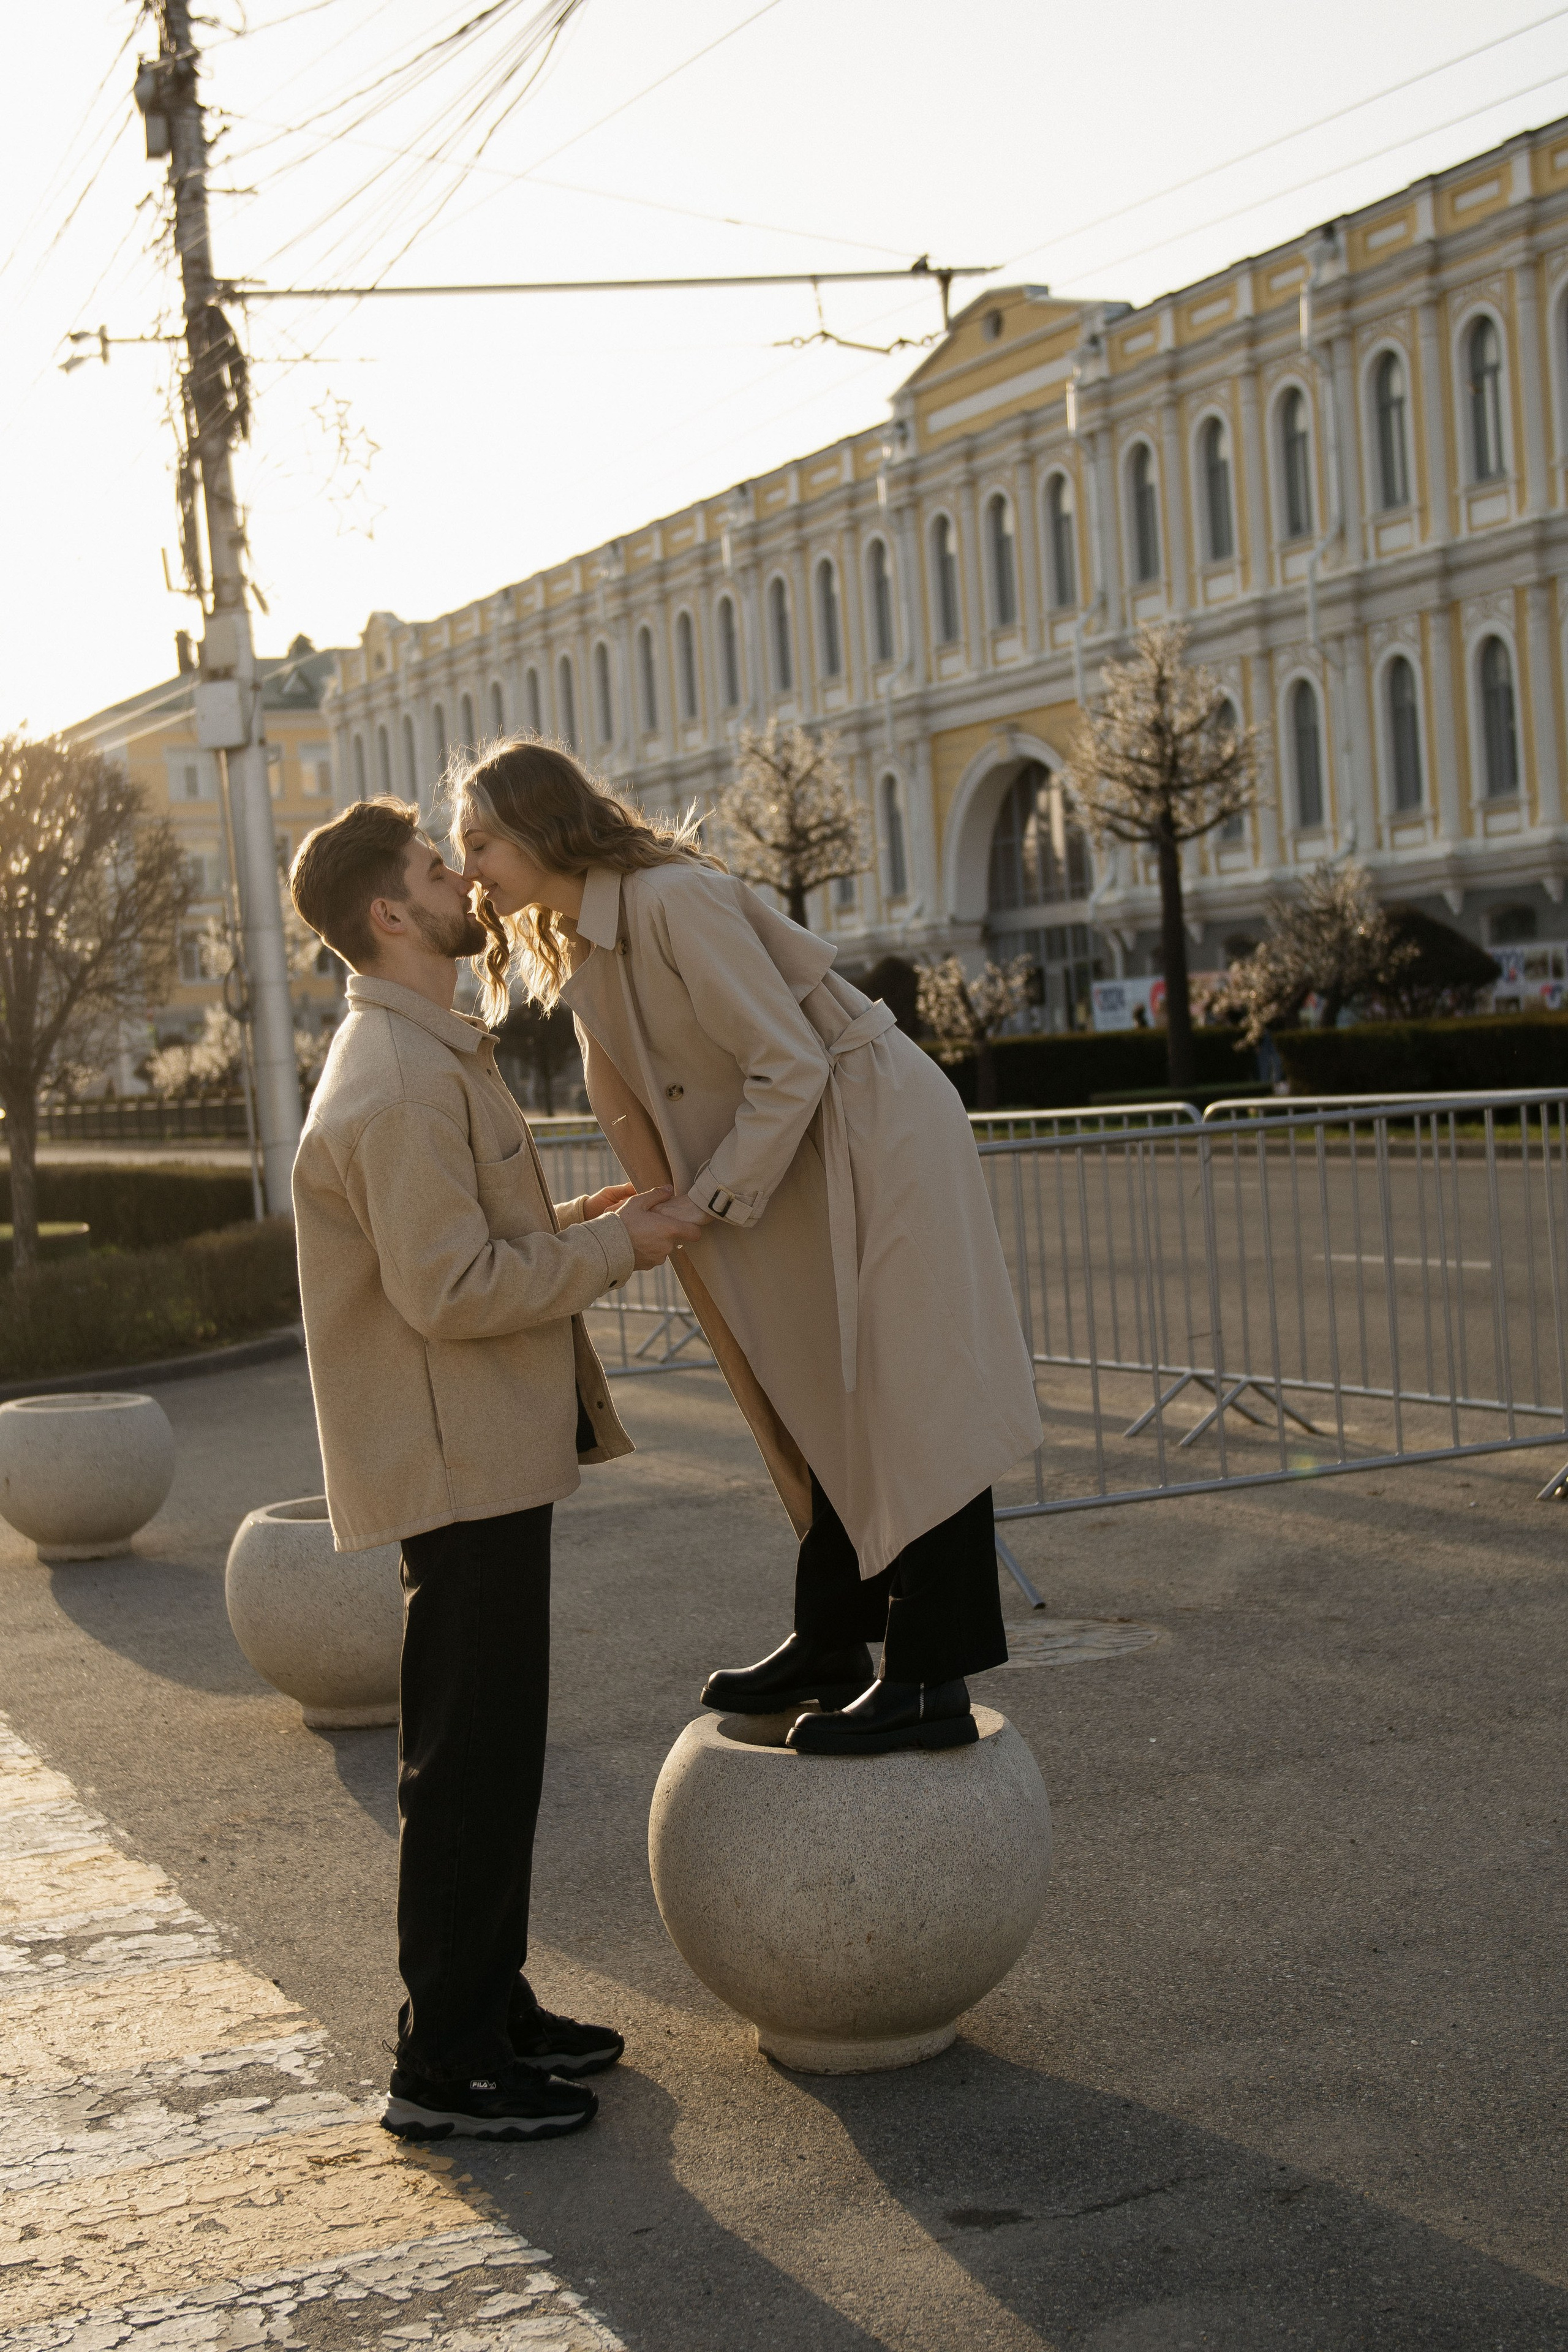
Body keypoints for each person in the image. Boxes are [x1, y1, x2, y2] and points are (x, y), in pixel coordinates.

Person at [453, 740, 1044, 1759]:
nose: (469, 869)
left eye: (479, 842)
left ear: (538, 825)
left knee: (909, 1396)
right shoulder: (591, 930)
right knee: (815, 1387)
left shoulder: (668, 901)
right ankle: (832, 1640)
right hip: (803, 1161)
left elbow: (789, 1057)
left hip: (871, 1145)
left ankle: (929, 1678)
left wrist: (714, 1198)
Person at [288, 797, 685, 2143]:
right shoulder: (397, 1081)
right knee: (466, 1767)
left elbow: (470, 1238)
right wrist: (628, 1249)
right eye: (430, 868)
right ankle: (443, 2064)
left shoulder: (420, 1056)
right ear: (390, 916)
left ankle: (479, 2007)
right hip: (456, 1464)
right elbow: (451, 1288)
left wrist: (590, 1217)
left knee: (489, 1758)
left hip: (474, 1455)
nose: (463, 877)